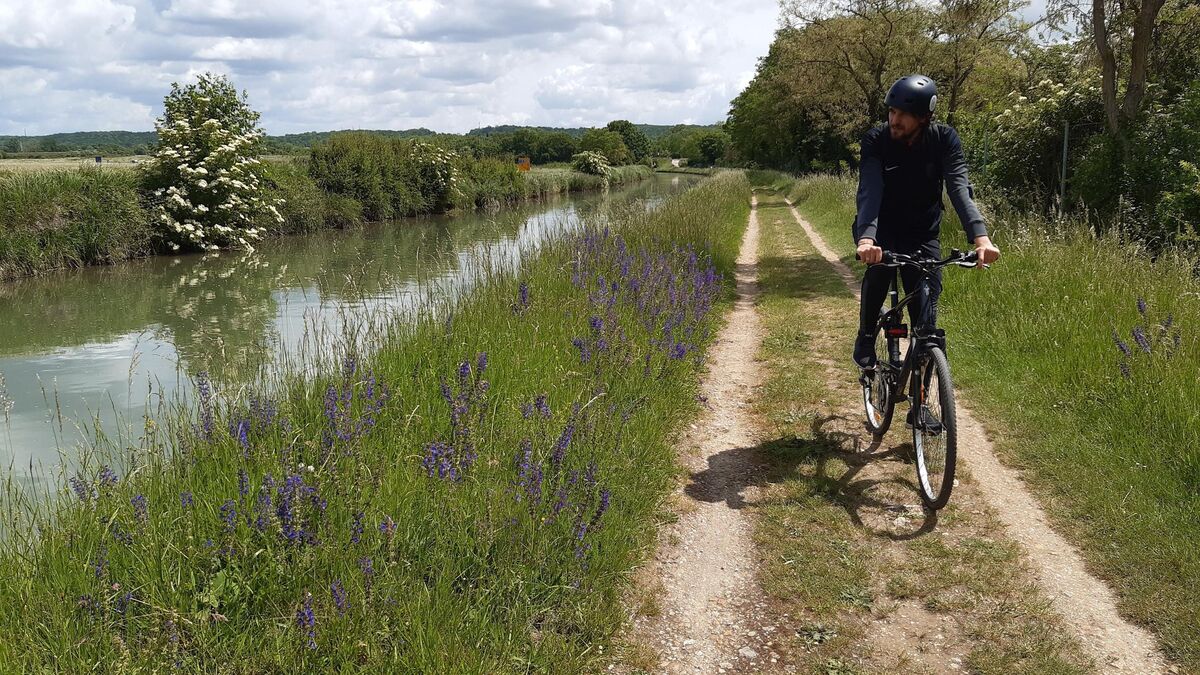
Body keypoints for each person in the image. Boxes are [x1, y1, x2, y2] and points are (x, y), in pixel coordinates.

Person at [852, 74, 1001, 369]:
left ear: (923, 117)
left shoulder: (943, 139)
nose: (894, 120)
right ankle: (867, 334)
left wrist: (981, 239)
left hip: (923, 232)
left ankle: (923, 401)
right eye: (892, 112)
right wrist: (867, 239)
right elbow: (870, 188)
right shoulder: (876, 140)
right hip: (881, 229)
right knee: (880, 270)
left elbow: (959, 188)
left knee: (926, 318)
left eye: (903, 115)